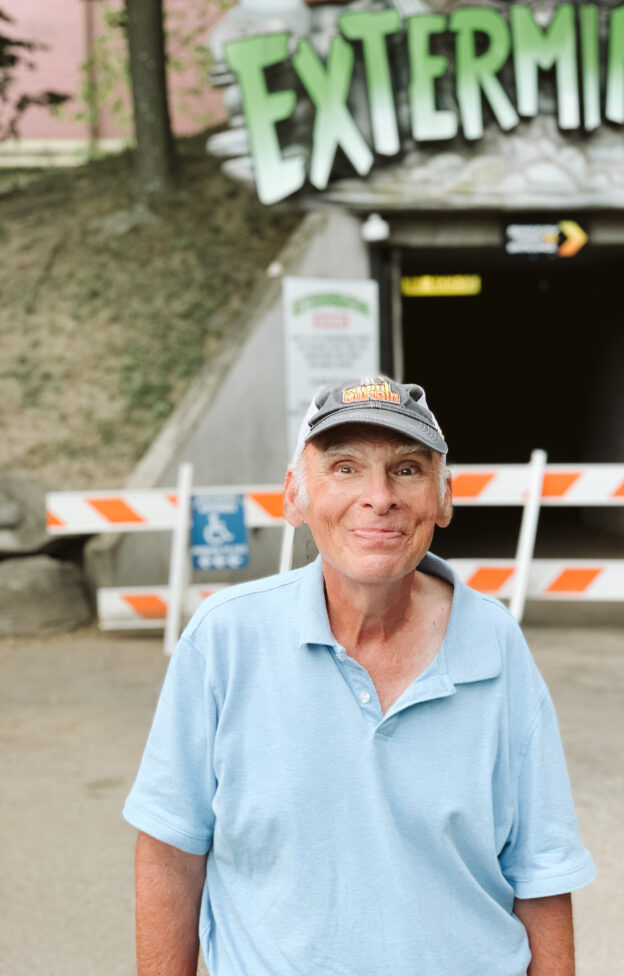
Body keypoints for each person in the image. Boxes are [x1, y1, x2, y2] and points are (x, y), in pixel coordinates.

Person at [124, 374, 596, 976]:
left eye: (406, 469)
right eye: (344, 467)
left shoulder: (494, 644)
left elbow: (542, 867)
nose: (379, 496)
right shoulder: (225, 638)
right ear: (294, 495)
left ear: (443, 497)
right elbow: (170, 855)